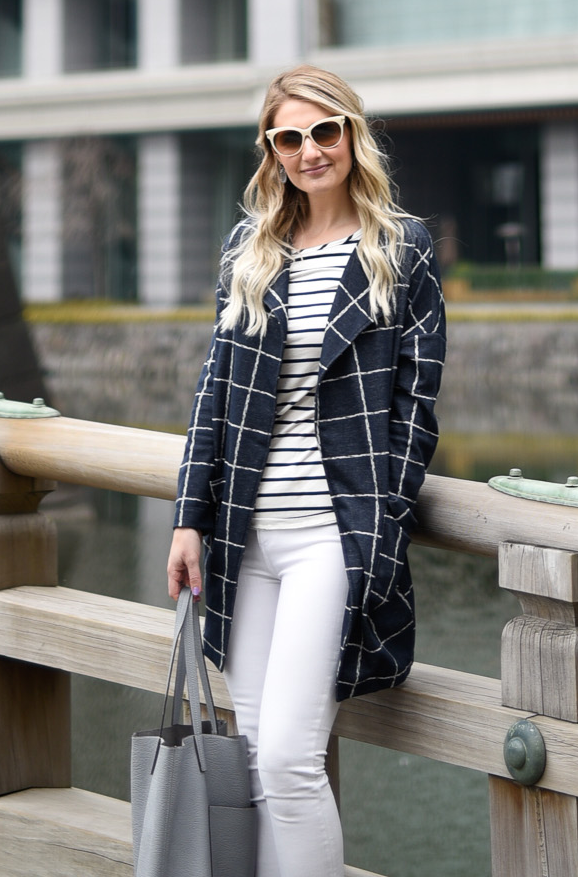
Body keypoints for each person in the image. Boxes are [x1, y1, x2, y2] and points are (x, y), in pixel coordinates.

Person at [168, 65, 447, 877]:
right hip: (244, 531)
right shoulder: (249, 250)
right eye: (288, 137)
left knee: (289, 759)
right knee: (254, 752)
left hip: (334, 533)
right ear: (271, 151)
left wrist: (381, 529)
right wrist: (188, 516)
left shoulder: (401, 248)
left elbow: (414, 414)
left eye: (324, 131)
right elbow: (212, 395)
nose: (309, 150)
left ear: (353, 135)